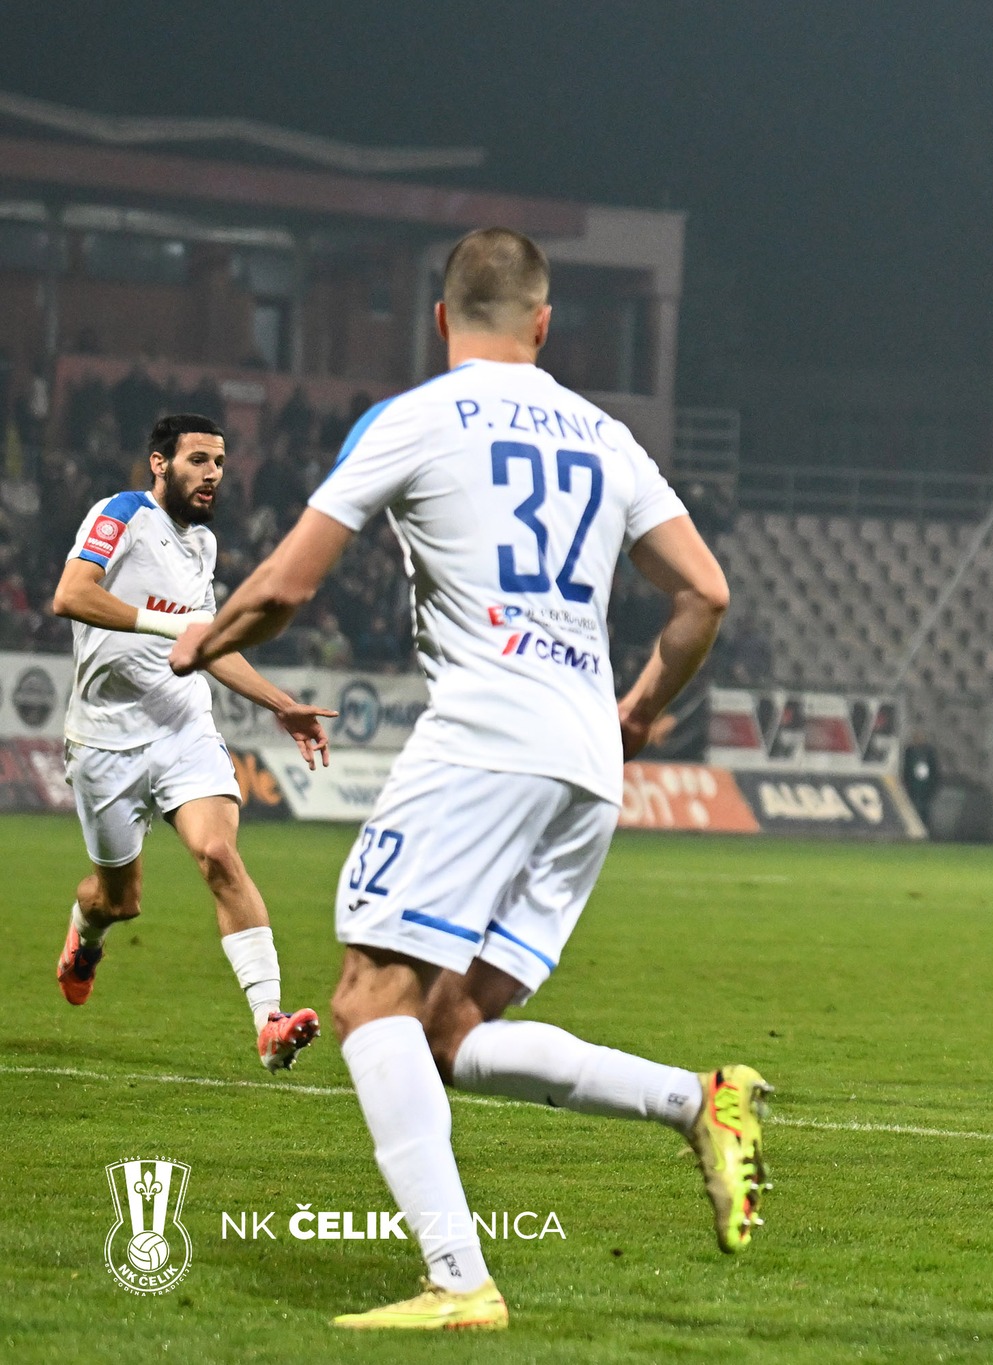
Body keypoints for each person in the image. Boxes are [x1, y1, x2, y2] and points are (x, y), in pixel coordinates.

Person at [172, 228, 770, 1331]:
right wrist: (640, 709)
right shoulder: (607, 436)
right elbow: (706, 594)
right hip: (585, 762)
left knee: (367, 999)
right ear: (543, 324)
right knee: (442, 1028)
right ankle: (701, 1102)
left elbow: (288, 586)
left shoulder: (416, 417)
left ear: (441, 318)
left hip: (485, 741)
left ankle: (459, 1282)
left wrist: (201, 642)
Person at [49, 413, 335, 1072]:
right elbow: (70, 594)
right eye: (198, 460)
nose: (212, 474)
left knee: (218, 854)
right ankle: (85, 936)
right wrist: (166, 624)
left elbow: (206, 645)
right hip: (105, 740)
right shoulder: (121, 514)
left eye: (220, 463)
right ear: (160, 463)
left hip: (183, 728)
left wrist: (282, 705)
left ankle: (269, 1023)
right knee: (119, 900)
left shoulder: (203, 544)